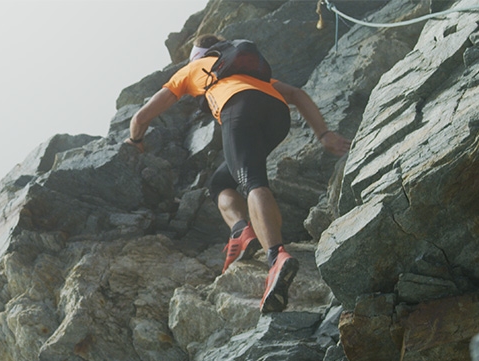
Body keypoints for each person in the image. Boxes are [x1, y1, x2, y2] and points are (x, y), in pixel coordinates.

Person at [126, 34, 351, 313]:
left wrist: (135, 142)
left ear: (197, 57)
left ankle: (276, 256)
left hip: (238, 108)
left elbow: (141, 118)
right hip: (277, 115)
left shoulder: (191, 70)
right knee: (221, 182)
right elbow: (296, 94)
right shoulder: (246, 72)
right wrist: (324, 134)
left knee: (251, 180)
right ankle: (241, 230)